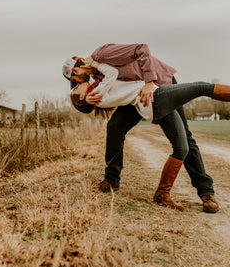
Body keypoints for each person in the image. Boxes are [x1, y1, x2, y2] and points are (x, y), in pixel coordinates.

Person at [62, 44, 219, 213]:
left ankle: (206, 192)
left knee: (184, 139)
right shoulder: (97, 75)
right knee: (115, 126)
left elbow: (142, 49)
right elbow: (118, 88)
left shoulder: (102, 54)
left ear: (75, 72)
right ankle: (111, 180)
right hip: (137, 94)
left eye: (74, 82)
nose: (77, 84)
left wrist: (149, 83)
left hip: (159, 84)